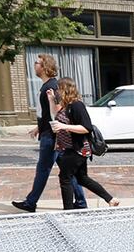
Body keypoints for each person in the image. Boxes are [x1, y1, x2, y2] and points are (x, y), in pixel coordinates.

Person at [49, 78, 119, 210]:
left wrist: (63, 127)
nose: (57, 91)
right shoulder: (67, 105)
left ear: (65, 89)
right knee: (81, 178)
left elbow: (87, 128)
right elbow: (55, 114)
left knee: (65, 178)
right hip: (72, 148)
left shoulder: (77, 105)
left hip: (77, 149)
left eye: (58, 89)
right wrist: (51, 98)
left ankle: (68, 210)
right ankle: (110, 199)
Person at [12, 54, 60, 213]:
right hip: (49, 133)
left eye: (36, 63)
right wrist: (38, 128)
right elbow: (47, 114)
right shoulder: (48, 85)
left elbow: (57, 112)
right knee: (67, 170)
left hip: (51, 136)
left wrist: (48, 130)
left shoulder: (51, 87)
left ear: (45, 66)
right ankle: (80, 202)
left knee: (43, 169)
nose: (34, 65)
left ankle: (31, 202)